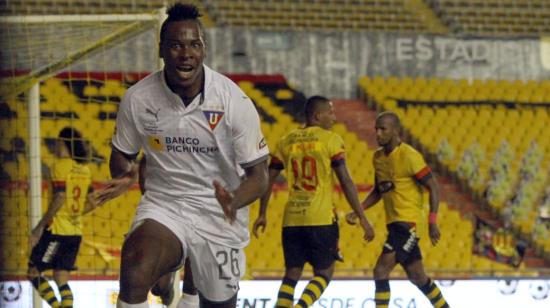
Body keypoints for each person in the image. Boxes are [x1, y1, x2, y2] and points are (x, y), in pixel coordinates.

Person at [95, 3, 269, 308]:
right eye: (176, 45)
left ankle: (183, 281)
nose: (186, 53)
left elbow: (259, 175)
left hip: (220, 213)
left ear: (204, 50)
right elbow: (122, 155)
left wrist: (234, 199)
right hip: (166, 205)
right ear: (161, 49)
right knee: (135, 269)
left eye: (194, 45)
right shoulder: (138, 99)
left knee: (216, 303)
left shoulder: (233, 101)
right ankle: (170, 263)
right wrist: (124, 175)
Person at [252, 96, 375, 308]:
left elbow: (267, 179)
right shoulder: (330, 140)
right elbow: (345, 180)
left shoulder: (286, 141)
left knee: (292, 274)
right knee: (324, 274)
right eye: (331, 112)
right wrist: (363, 217)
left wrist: (262, 213)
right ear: (318, 116)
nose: (334, 118)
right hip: (321, 219)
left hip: (292, 220)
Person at [345, 111, 450, 308]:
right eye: (376, 129)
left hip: (408, 224)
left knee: (380, 271)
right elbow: (379, 190)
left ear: (395, 131)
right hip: (394, 225)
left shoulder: (410, 156)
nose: (378, 133)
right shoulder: (377, 158)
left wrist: (432, 221)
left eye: (383, 129)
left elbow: (433, 186)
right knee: (418, 277)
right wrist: (358, 211)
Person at [28, 127, 99, 308]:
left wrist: (39, 227)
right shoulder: (85, 170)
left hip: (57, 232)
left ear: (63, 142)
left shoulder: (59, 166)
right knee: (61, 277)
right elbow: (92, 202)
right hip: (75, 233)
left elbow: (59, 197)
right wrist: (73, 213)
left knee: (34, 273)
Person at [138, 156, 199, 308]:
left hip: (196, 217)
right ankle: (168, 286)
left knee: (194, 282)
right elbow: (145, 170)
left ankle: (189, 296)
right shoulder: (157, 150)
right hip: (166, 214)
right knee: (160, 289)